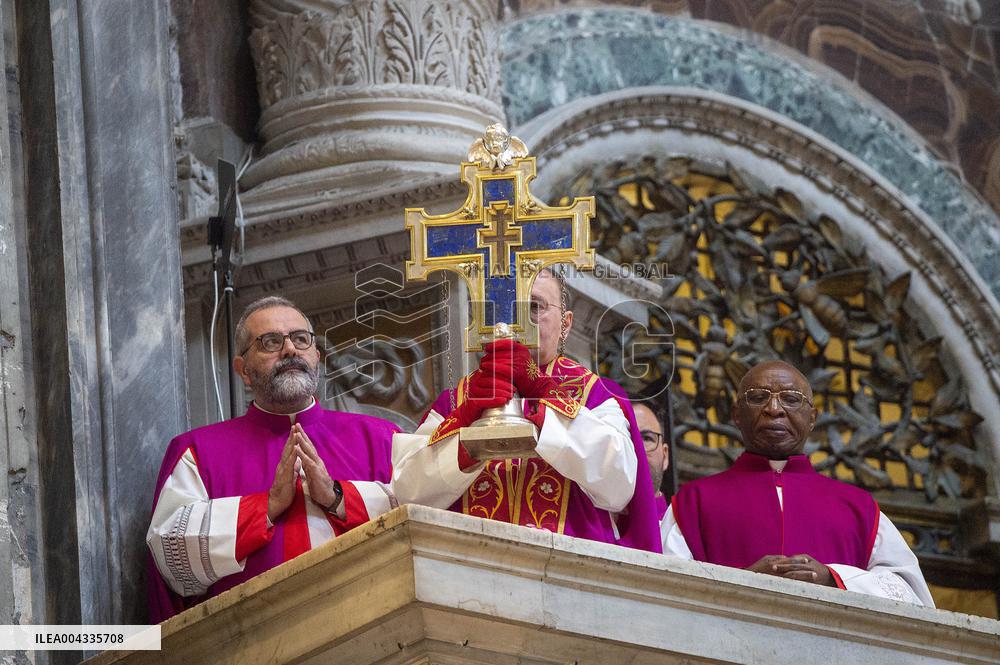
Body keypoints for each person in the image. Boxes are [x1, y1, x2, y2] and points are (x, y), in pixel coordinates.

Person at [146, 296, 400, 621]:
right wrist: (264, 507)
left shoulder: (381, 437)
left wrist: (338, 497)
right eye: (270, 342)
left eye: (300, 339)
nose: (290, 350)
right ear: (243, 370)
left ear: (316, 357)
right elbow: (170, 555)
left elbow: (422, 516)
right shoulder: (198, 451)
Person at [392, 269, 661, 552]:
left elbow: (619, 485)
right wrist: (468, 418)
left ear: (566, 324)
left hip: (571, 571)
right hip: (471, 569)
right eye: (508, 308)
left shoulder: (596, 394)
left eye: (535, 307)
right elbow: (407, 492)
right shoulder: (457, 401)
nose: (519, 320)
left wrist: (543, 392)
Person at [662, 360, 934, 606]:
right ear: (736, 414)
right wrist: (744, 580)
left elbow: (912, 596)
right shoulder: (693, 502)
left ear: (812, 418)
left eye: (791, 399)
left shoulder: (859, 508)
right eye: (758, 398)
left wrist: (833, 578)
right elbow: (665, 592)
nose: (774, 409)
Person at [633, 402, 669, 522]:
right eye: (625, 437)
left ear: (665, 456)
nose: (637, 448)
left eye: (647, 438)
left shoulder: (682, 536)